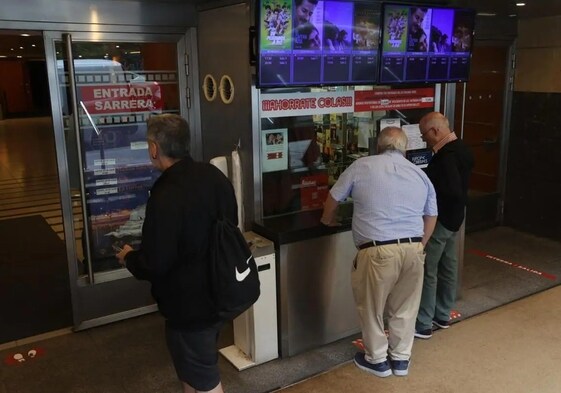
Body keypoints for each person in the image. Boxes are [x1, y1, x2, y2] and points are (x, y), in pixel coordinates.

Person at [116, 114, 237, 393]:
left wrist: (130, 258)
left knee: (204, 379)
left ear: (155, 148)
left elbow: (157, 261)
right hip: (219, 292)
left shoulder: (166, 193)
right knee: (192, 372)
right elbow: (231, 228)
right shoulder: (214, 177)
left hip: (189, 307)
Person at [321, 126, 437, 378]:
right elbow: (431, 214)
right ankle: (401, 358)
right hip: (414, 249)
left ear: (378, 146)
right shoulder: (419, 174)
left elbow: (333, 198)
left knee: (371, 307)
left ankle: (377, 360)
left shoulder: (361, 166)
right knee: (405, 307)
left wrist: (327, 221)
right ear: (405, 150)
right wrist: (420, 245)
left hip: (376, 251)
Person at [415, 112, 474, 339]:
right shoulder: (462, 148)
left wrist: (434, 210)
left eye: (424, 135)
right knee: (449, 266)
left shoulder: (446, 157)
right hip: (455, 219)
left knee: (429, 269)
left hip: (441, 220)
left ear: (435, 131)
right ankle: (442, 314)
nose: (423, 140)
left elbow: (451, 190)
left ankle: (423, 323)